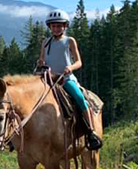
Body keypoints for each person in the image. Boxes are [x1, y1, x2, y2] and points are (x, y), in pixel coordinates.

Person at [38, 9, 102, 150]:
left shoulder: (69, 41)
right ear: (50, 27)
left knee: (79, 98)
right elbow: (42, 60)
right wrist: (40, 64)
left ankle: (91, 132)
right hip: (49, 79)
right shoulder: (45, 43)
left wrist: (71, 68)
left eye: (59, 25)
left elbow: (79, 62)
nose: (56, 28)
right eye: (54, 26)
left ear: (65, 26)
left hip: (65, 79)